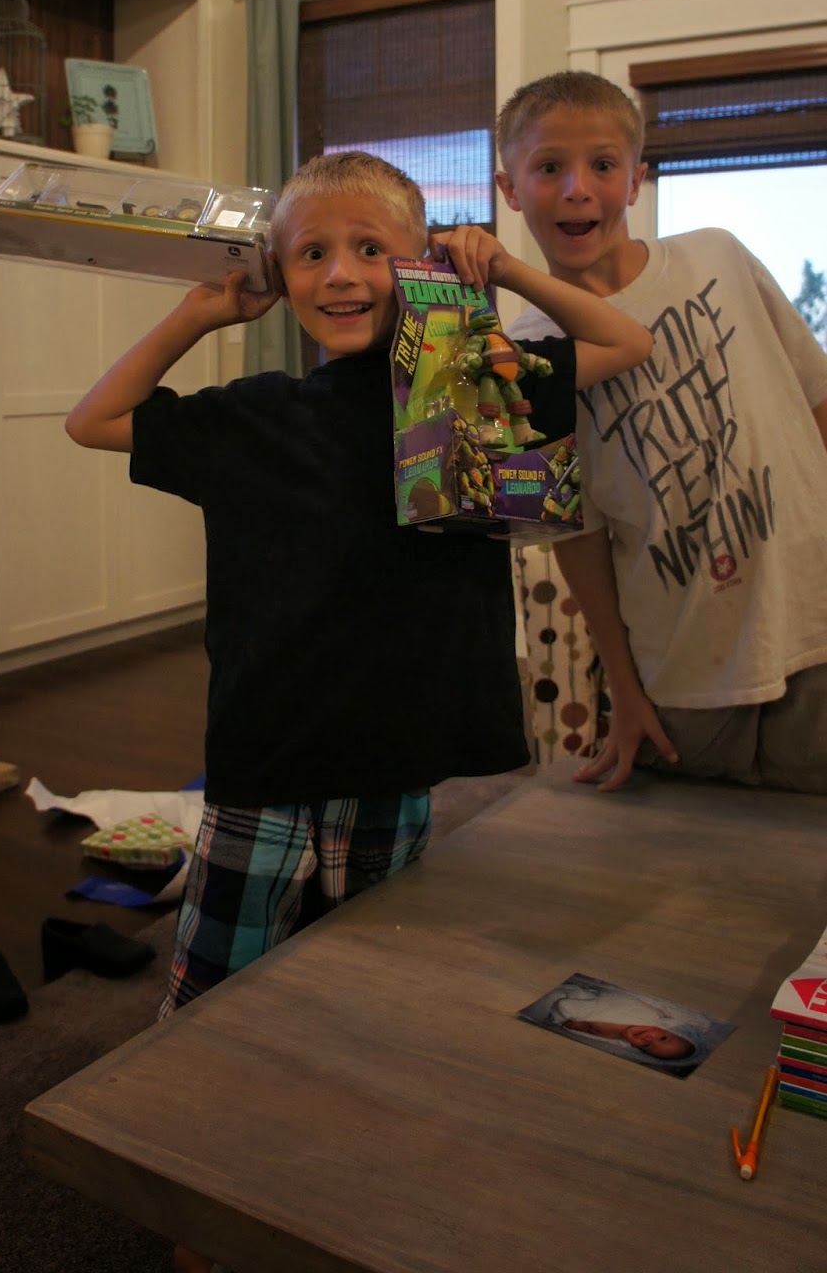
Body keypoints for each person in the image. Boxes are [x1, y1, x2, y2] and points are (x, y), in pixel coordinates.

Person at [66, 150, 650, 1272]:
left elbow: (625, 342)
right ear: (278, 276)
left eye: (372, 249)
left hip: (396, 759)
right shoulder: (252, 416)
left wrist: (503, 272)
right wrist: (199, 313)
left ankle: (329, 1169)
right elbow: (95, 419)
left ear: (418, 260)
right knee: (216, 999)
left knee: (363, 994)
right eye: (311, 254)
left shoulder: (473, 386)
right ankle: (197, 1197)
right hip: (269, 761)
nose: (341, 274)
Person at [496, 70, 827, 796]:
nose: (577, 188)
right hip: (679, 668)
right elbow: (576, 536)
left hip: (812, 625)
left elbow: (816, 403)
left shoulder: (717, 255)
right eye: (548, 167)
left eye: (602, 164)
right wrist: (622, 686)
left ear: (635, 180)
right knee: (685, 851)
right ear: (509, 189)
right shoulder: (517, 360)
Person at [520, 972, 719, 1075]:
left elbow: (592, 1032)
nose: (647, 1039)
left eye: (647, 1047)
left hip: (573, 1014)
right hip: (574, 999)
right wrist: (560, 1019)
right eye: (662, 1037)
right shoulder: (645, 1015)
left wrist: (578, 1027)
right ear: (669, 1027)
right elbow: (566, 1006)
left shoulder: (618, 1039)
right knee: (554, 998)